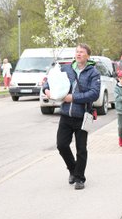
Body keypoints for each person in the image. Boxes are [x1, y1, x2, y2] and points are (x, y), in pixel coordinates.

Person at [42, 43, 100, 190]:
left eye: (81, 52)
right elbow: (50, 80)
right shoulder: (66, 68)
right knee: (61, 145)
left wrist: (73, 98)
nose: (78, 54)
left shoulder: (93, 72)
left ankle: (80, 178)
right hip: (66, 115)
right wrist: (46, 90)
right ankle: (73, 170)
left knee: (81, 149)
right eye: (77, 52)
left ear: (87, 55)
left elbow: (94, 93)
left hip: (82, 116)